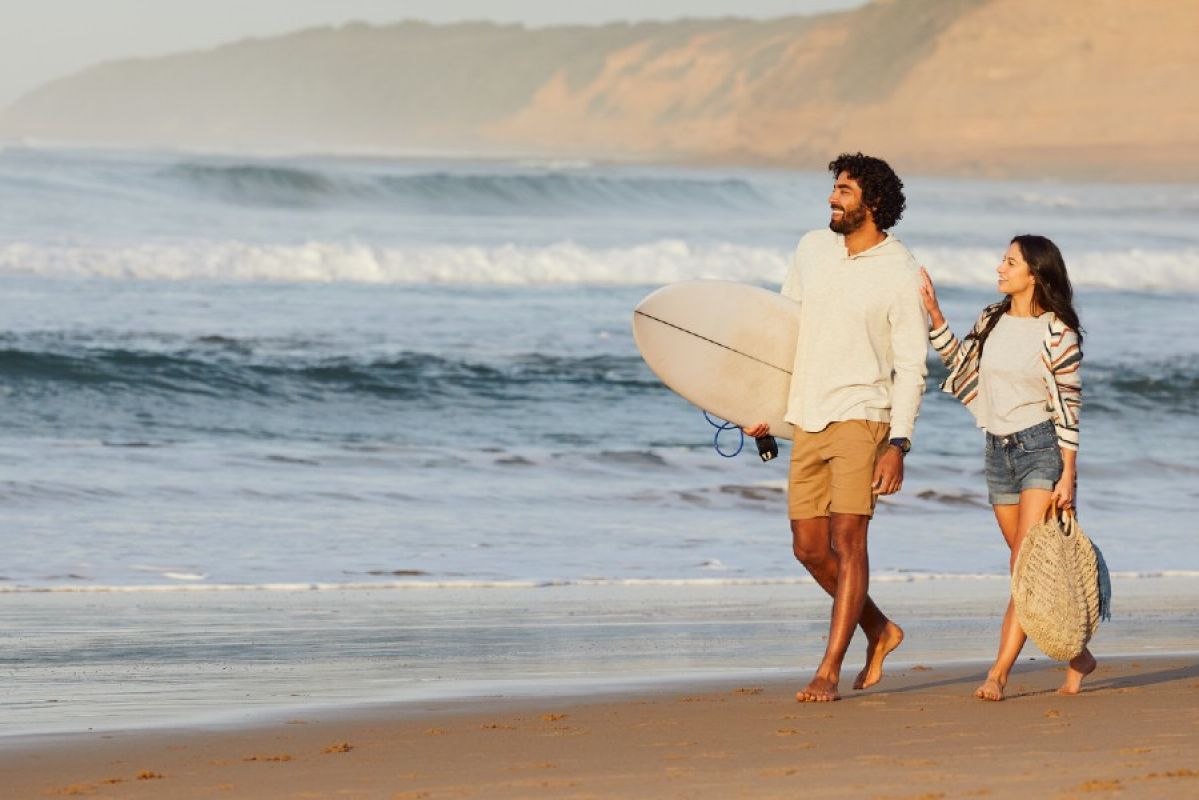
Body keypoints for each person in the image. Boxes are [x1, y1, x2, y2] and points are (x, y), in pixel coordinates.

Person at [744, 153, 928, 702]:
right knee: (808, 548)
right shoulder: (811, 249)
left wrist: (899, 443)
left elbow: (913, 365)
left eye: (844, 191)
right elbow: (783, 333)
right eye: (834, 189)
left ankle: (828, 667)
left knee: (848, 541)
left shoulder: (899, 271)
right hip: (806, 414)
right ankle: (880, 629)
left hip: (863, 416)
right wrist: (763, 413)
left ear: (871, 204)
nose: (832, 198)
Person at [919, 235, 1094, 701]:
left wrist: (1068, 473)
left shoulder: (1058, 333)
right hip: (997, 452)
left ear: (1033, 273)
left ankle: (998, 673)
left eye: (1009, 261)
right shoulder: (991, 319)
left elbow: (1070, 407)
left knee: (1021, 567)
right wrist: (936, 317)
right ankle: (1078, 656)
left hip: (1040, 450)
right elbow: (961, 369)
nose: (1000, 267)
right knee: (1031, 571)